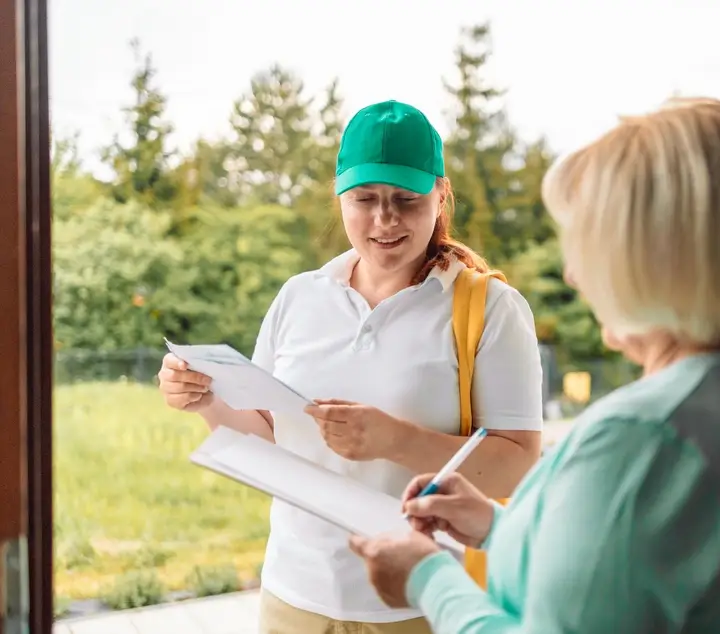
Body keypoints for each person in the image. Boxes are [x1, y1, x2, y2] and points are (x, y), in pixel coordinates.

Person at [349, 97, 720, 633]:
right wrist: (499, 528)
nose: (574, 275)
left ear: (655, 258)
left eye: (589, 246)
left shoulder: (641, 438)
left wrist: (427, 578)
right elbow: (636, 575)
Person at [157, 100, 544, 634]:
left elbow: (518, 463)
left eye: (405, 200)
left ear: (441, 193)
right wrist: (208, 401)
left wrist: (393, 439)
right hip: (293, 597)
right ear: (340, 195)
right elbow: (272, 437)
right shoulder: (299, 296)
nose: (385, 219)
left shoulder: (491, 309)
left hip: (419, 604)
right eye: (365, 199)